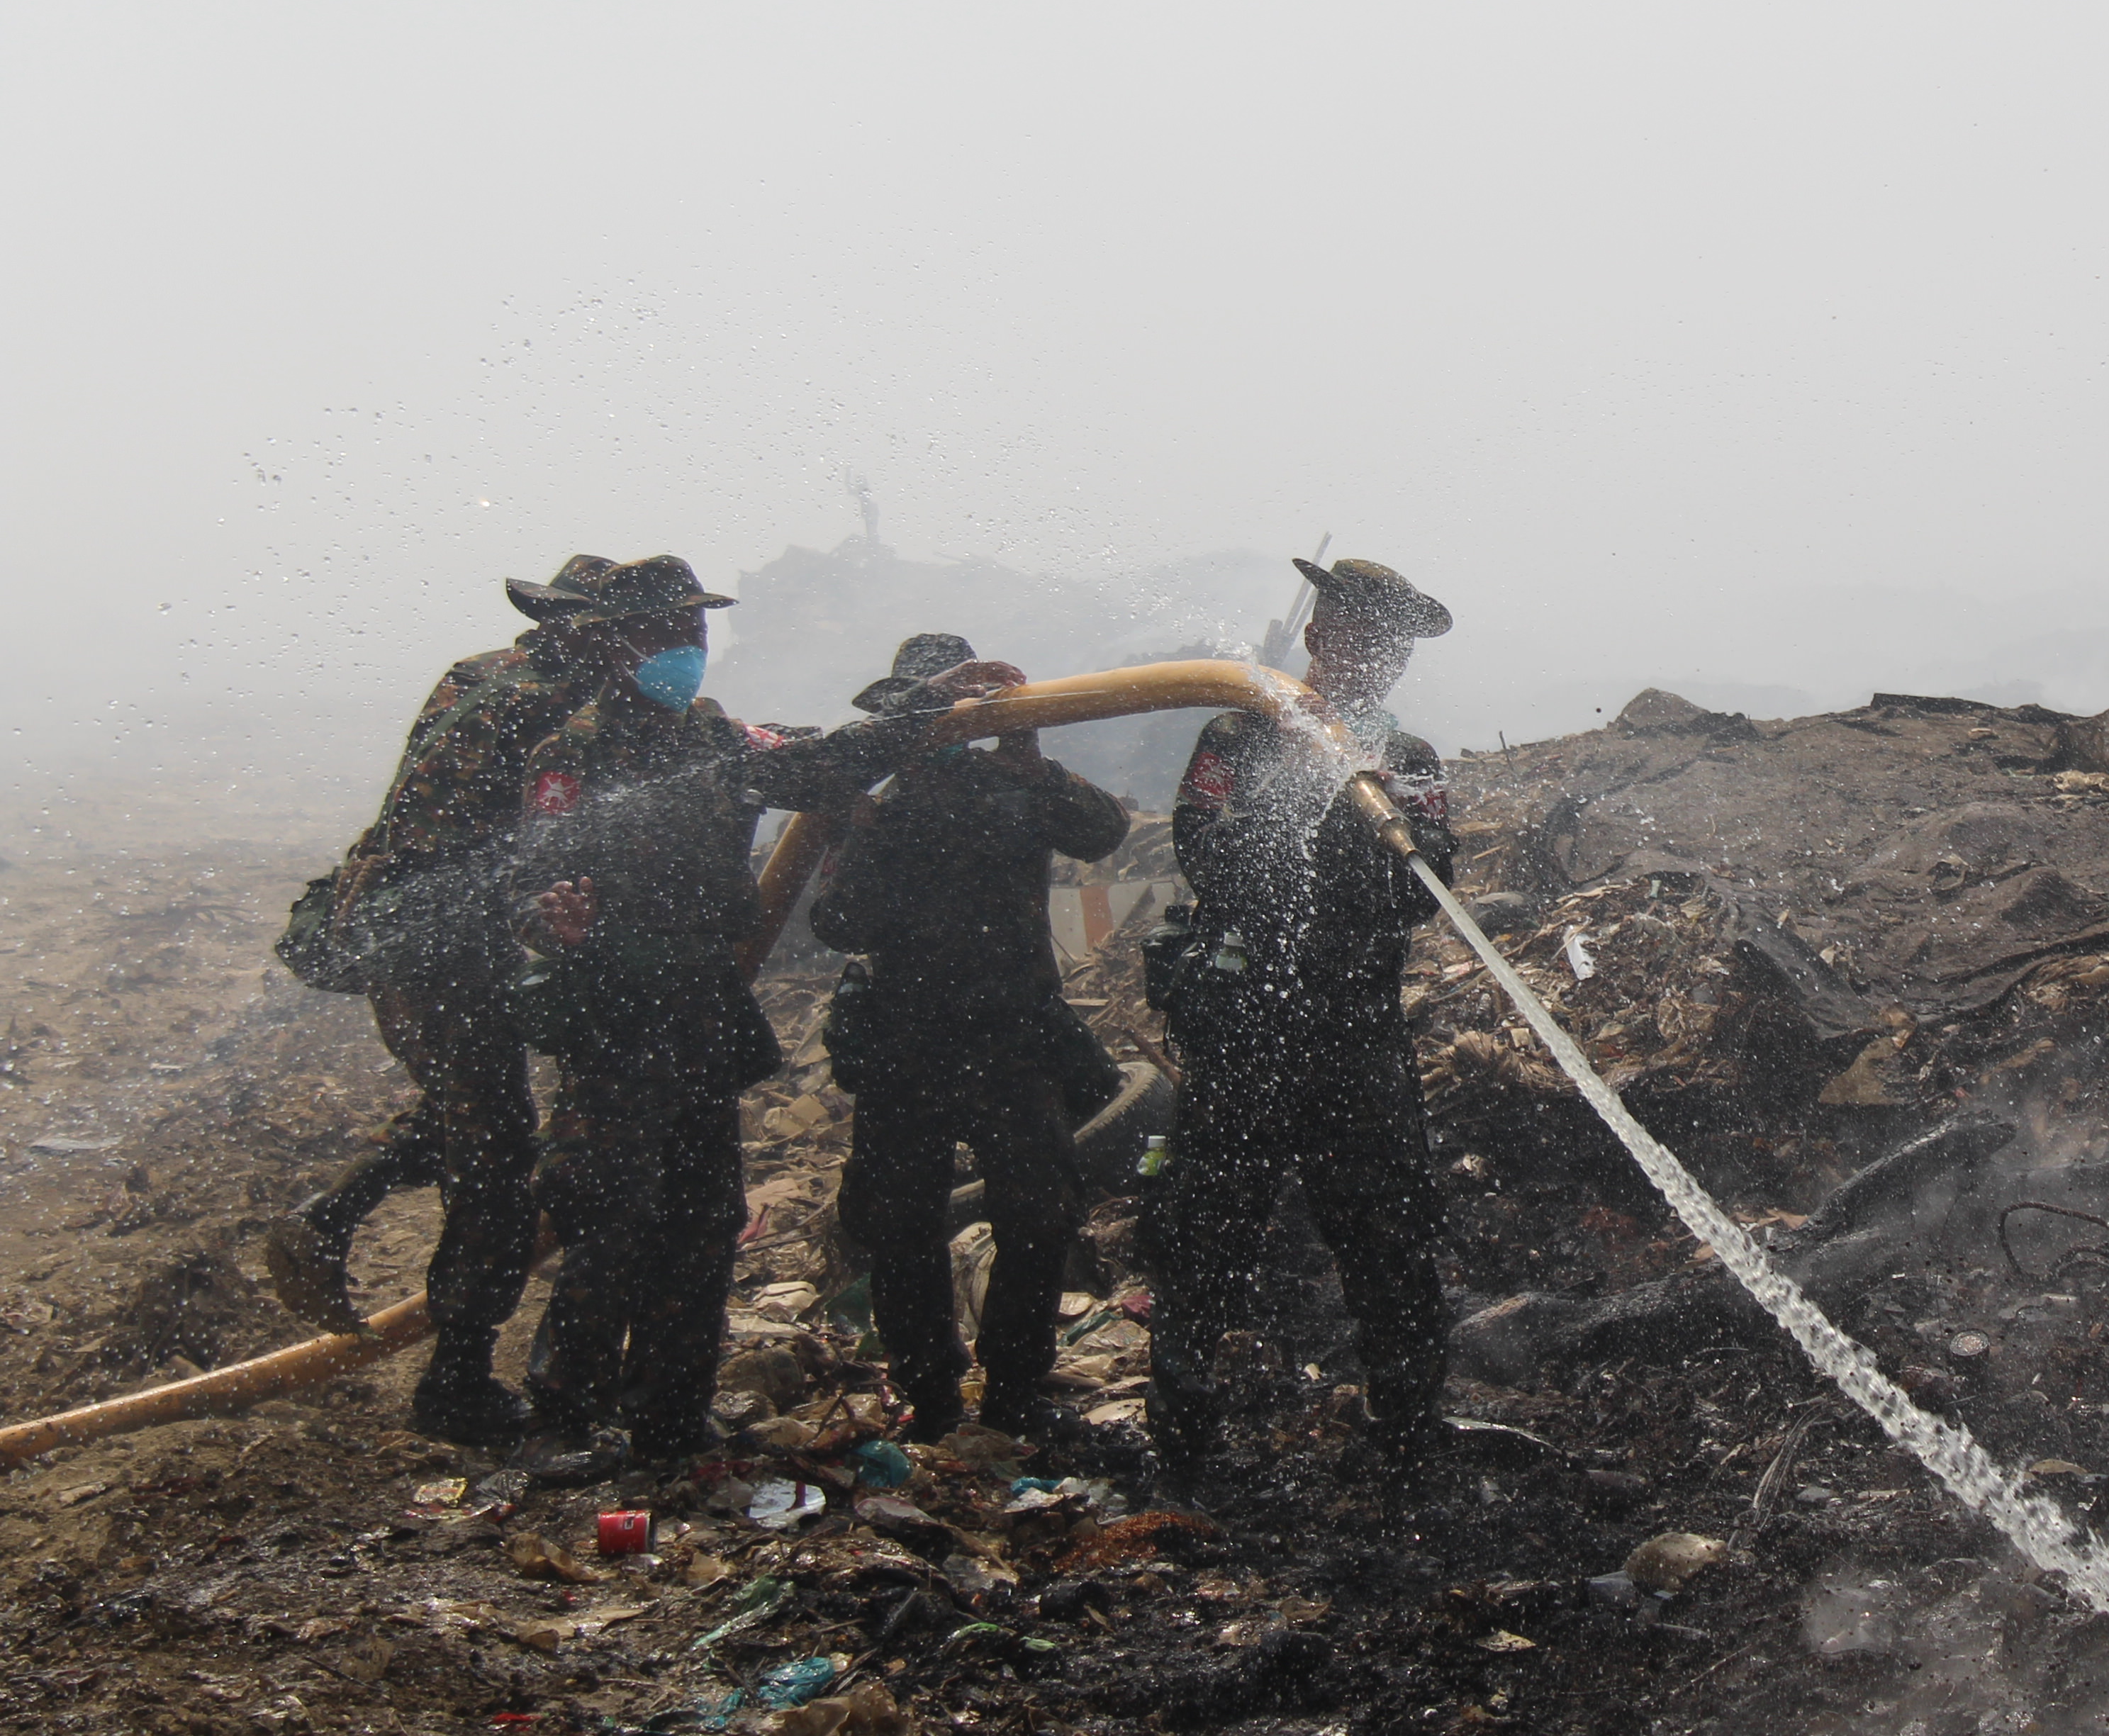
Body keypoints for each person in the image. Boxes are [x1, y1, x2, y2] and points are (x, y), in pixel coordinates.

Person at [506, 558, 981, 1461]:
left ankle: (669, 1412)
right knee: (609, 1216)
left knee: (702, 1214)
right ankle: (561, 1421)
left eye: (693, 631)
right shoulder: (570, 755)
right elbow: (530, 879)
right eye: (664, 632)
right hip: (614, 1014)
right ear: (616, 645)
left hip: (697, 1011)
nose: (685, 648)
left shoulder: (720, 741)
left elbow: (826, 761)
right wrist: (550, 918)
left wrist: (925, 703)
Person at [262, 554, 624, 1448]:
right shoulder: (552, 706)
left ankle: (333, 1215)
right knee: (496, 1152)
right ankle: (456, 1380)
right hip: (439, 943)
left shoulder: (480, 672)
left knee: (475, 1111)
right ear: (587, 630)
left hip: (397, 925)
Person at [1146, 556, 1459, 1491]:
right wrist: (1302, 858)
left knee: (1392, 1233)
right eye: (1357, 633)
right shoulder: (1242, 731)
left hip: (1355, 1031)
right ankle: (1185, 1448)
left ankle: (1408, 1437)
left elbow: (1424, 883)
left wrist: (1367, 851)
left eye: (1390, 642)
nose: (1373, 656)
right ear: (1319, 634)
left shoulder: (1407, 761)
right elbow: (1203, 846)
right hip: (1246, 1021)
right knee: (1207, 1230)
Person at [810, 634, 1132, 1444]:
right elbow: (837, 920)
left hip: (1010, 1036)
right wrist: (858, 831)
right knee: (902, 1223)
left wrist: (1033, 764)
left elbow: (1103, 830)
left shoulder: (1013, 787)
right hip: (904, 1044)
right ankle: (930, 1391)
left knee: (1040, 1213)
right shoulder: (875, 806)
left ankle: (1017, 1385)